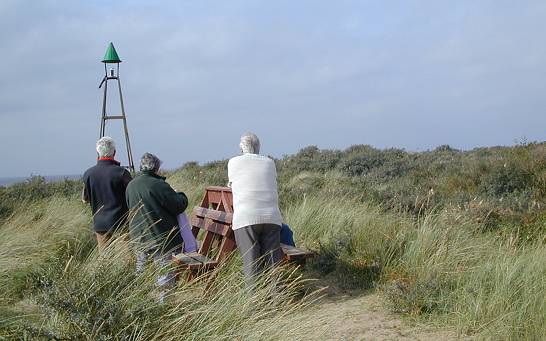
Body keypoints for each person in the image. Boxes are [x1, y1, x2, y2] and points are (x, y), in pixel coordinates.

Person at [125, 153, 189, 300]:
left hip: (139, 237)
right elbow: (179, 205)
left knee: (141, 274)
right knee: (164, 277)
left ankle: (138, 305)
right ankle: (165, 307)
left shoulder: (131, 185)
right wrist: (180, 194)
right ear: (156, 167)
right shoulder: (159, 185)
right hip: (161, 238)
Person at [228, 132, 283, 285]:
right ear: (258, 147)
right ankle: (277, 301)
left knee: (252, 265)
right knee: (273, 264)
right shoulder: (269, 163)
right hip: (272, 217)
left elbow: (232, 184)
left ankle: (254, 304)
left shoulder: (233, 162)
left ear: (241, 148)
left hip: (246, 218)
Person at [82, 137, 132, 248]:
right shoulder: (122, 173)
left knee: (104, 260)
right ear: (114, 152)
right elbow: (133, 195)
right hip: (121, 223)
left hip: (100, 224)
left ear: (97, 152)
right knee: (126, 260)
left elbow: (85, 200)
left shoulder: (88, 174)